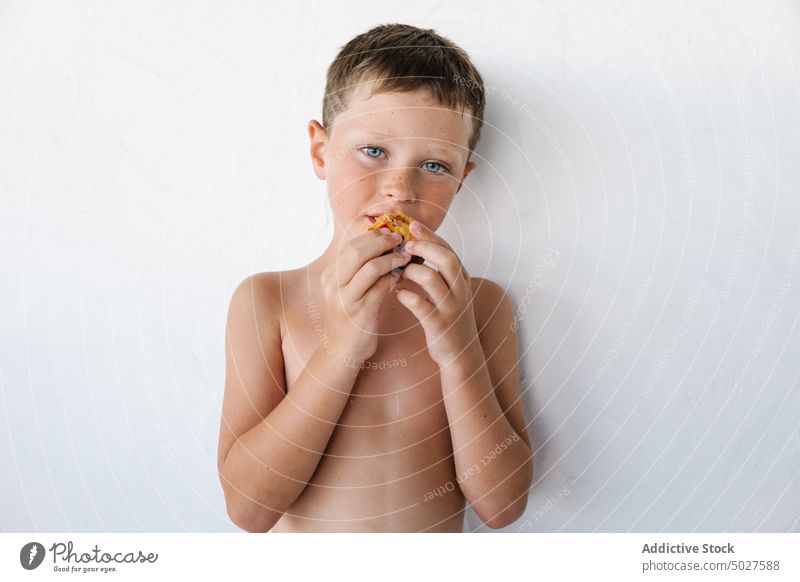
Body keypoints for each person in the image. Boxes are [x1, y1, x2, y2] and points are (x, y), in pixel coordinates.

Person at [217, 23, 533, 532]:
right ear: (321, 152)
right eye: (373, 152)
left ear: (461, 180)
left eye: (434, 165)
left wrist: (457, 351)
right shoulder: (267, 302)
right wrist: (342, 345)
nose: (399, 190)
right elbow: (249, 510)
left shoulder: (483, 306)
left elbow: (501, 506)